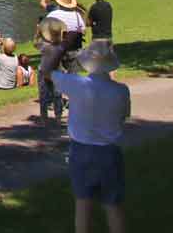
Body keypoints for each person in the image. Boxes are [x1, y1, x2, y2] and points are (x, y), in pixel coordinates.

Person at [53, 43, 130, 233]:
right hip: (109, 150)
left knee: (82, 204)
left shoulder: (77, 84)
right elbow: (124, 116)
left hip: (81, 150)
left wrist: (58, 47)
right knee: (113, 205)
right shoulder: (121, 90)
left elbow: (48, 71)